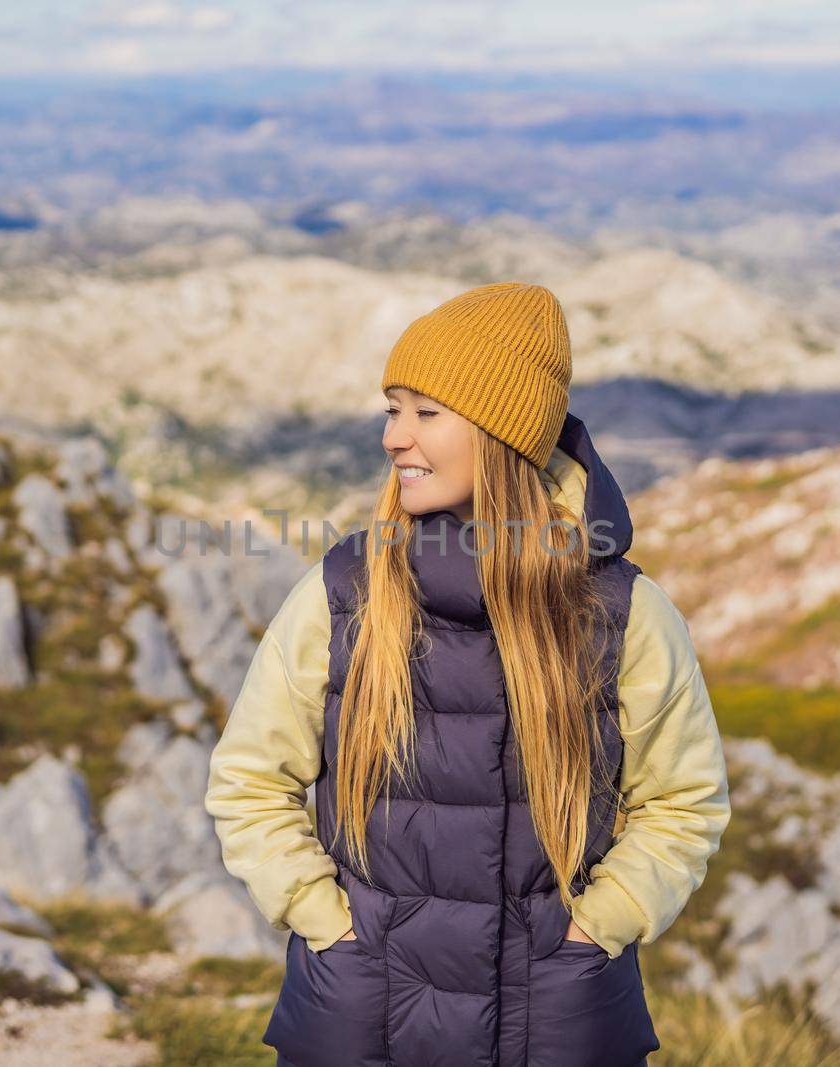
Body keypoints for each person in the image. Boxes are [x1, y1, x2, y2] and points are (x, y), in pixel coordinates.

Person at [204, 282, 731, 1067]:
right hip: (359, 1018)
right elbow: (248, 780)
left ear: (500, 432)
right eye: (392, 408)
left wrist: (594, 931)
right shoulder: (344, 591)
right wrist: (329, 925)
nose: (394, 436)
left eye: (426, 412)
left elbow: (685, 801)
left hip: (556, 1023)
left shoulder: (623, 612)